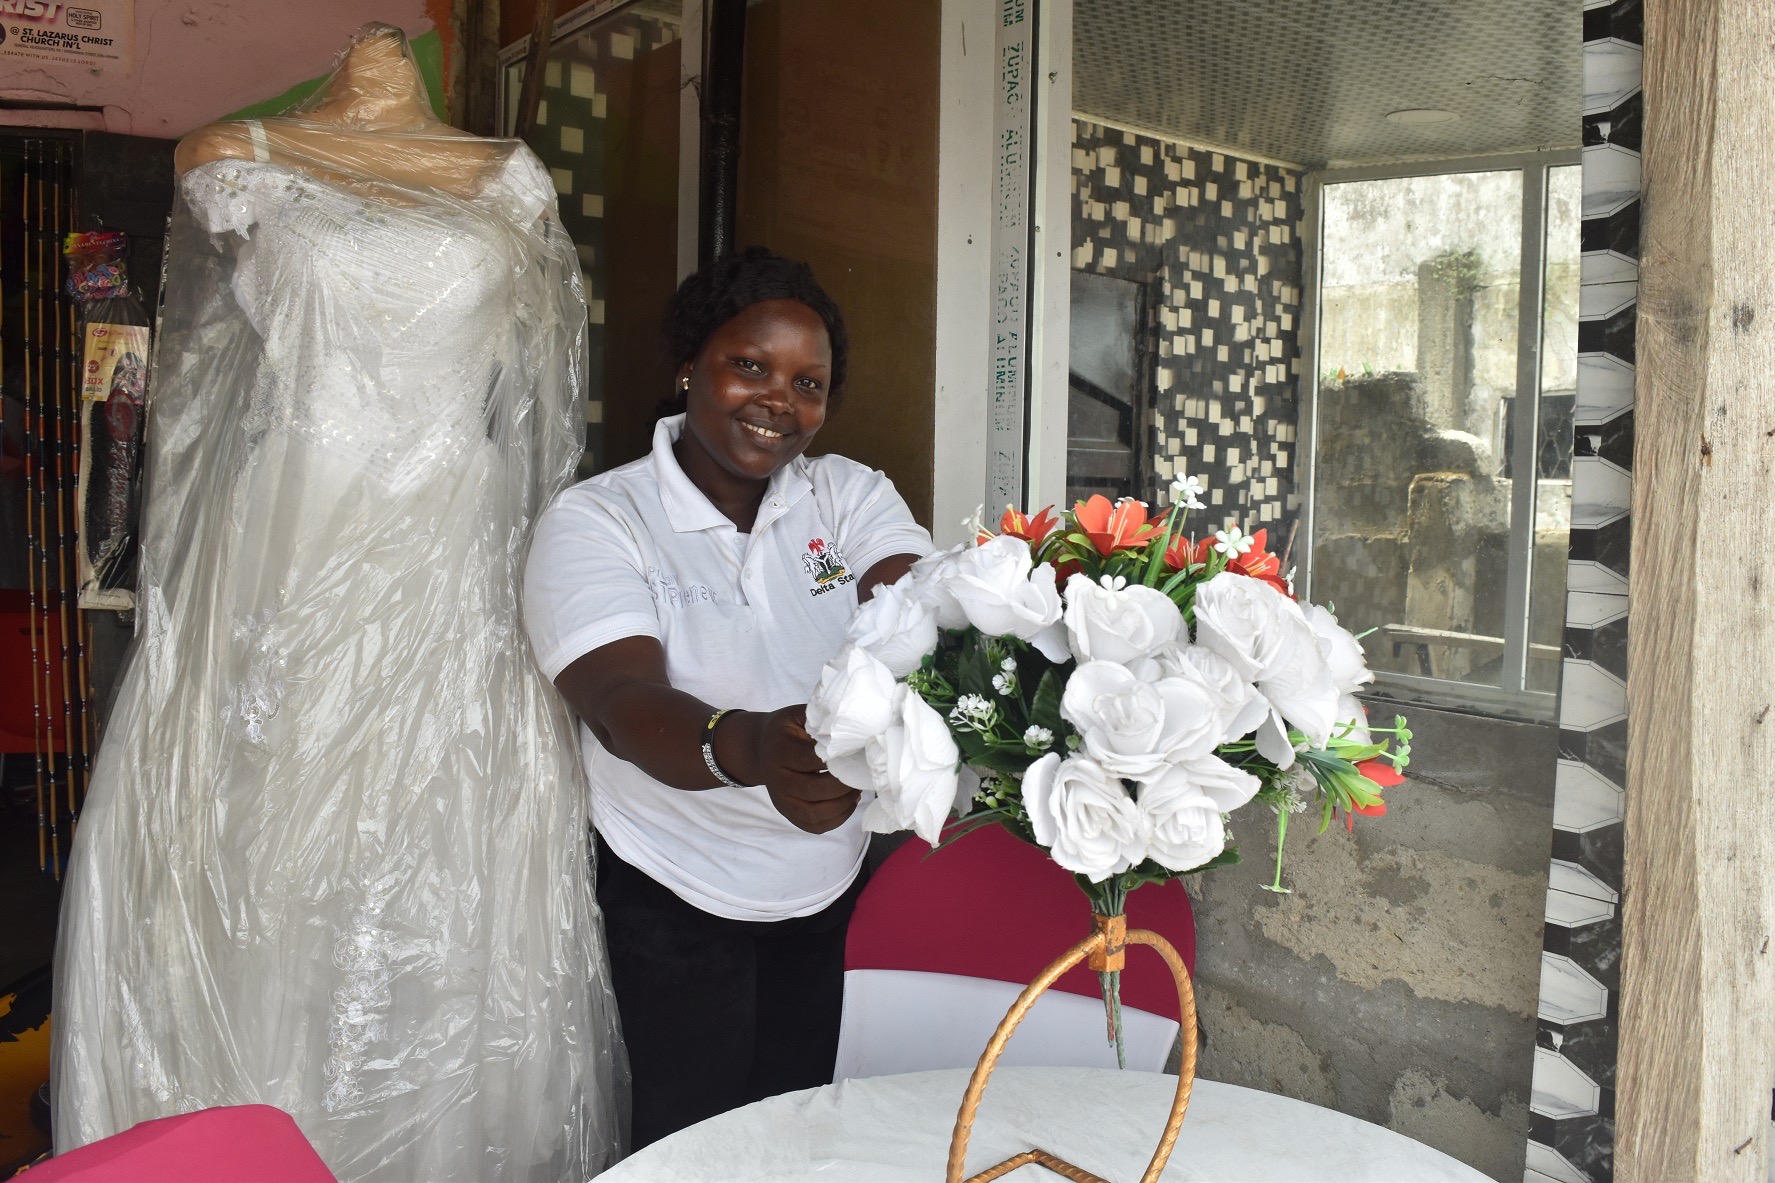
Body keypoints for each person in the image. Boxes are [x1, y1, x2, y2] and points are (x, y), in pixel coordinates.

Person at [52, 26, 624, 1180]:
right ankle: (258, 1118)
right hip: (295, 530)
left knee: (445, 819)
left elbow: (541, 404)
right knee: (273, 828)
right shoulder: (235, 156)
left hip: (457, 539)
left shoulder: (506, 177)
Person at [523, 247, 934, 1148]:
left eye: (807, 382)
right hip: (669, 884)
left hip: (824, 885)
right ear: (687, 364)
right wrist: (748, 746)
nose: (777, 398)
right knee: (686, 1145)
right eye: (749, 365)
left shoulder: (847, 495)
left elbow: (920, 612)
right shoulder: (601, 519)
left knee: (794, 1136)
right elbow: (620, 699)